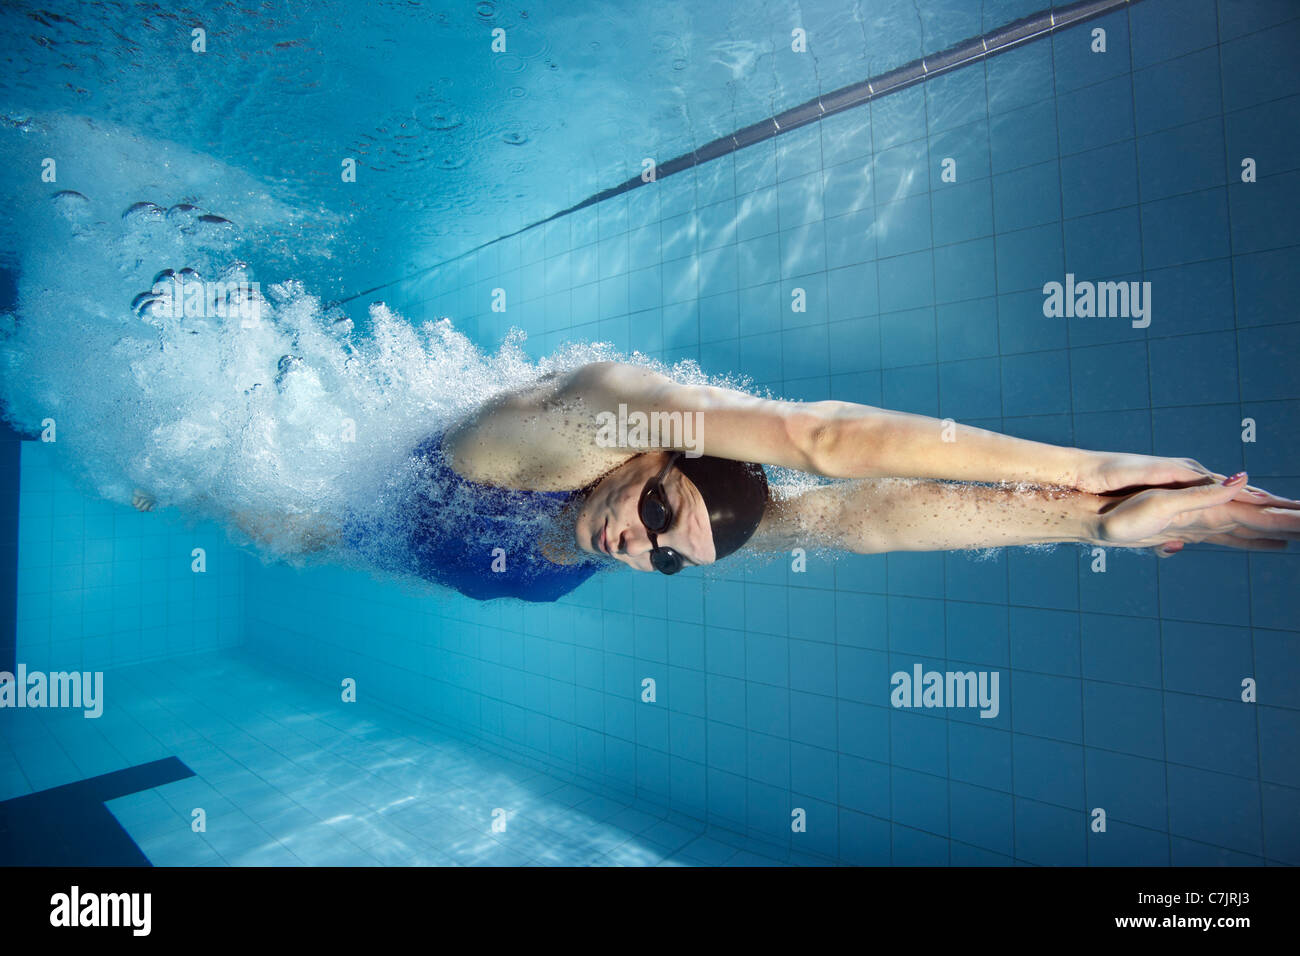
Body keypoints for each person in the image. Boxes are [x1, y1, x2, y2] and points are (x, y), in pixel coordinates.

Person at [134, 360, 1300, 603]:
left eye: (664, 557)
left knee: (806, 532)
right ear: (652, 455)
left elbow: (871, 518)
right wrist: (1093, 468)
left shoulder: (665, 527)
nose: (637, 546)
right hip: (360, 501)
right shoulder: (569, 428)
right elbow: (828, 441)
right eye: (656, 511)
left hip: (404, 546)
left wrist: (1092, 527)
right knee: (252, 505)